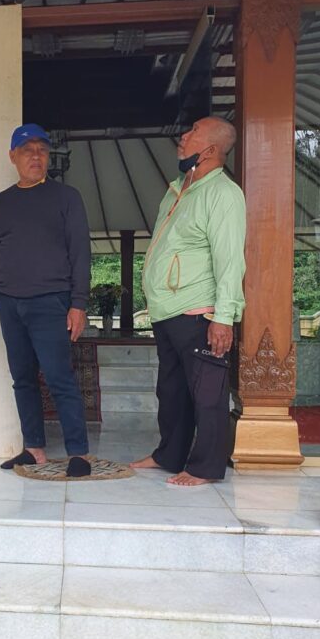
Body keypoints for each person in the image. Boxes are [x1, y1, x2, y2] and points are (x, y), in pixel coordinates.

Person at [133, 116, 246, 486]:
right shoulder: (178, 188)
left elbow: (230, 260)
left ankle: (205, 467)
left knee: (207, 393)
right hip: (168, 311)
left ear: (210, 149)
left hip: (199, 311)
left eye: (193, 131)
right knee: (172, 391)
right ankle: (170, 454)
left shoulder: (223, 194)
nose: (183, 136)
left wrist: (224, 317)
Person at [0, 123, 92, 478]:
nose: (36, 156)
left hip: (51, 301)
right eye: (28, 150)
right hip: (9, 304)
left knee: (59, 377)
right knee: (22, 378)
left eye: (42, 150)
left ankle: (79, 453)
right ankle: (34, 448)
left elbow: (80, 253)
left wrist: (78, 303)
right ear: (13, 157)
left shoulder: (67, 198)